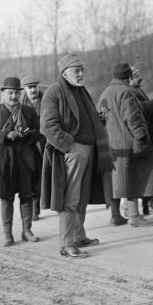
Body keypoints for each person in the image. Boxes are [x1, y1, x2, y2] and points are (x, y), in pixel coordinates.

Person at [40, 53, 114, 259]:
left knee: (82, 197)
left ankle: (79, 236)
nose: (81, 74)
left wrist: (97, 119)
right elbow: (47, 126)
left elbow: (79, 118)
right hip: (74, 151)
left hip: (90, 150)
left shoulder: (80, 91)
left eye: (82, 70)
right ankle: (66, 243)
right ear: (64, 73)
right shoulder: (54, 93)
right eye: (76, 71)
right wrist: (69, 146)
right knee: (70, 199)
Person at [0, 77, 43, 246]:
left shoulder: (29, 112)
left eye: (16, 93)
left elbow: (40, 132)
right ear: (3, 94)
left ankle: (27, 230)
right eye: (10, 93)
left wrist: (28, 134)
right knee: (6, 198)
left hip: (25, 159)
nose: (14, 96)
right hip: (4, 160)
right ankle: (7, 234)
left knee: (27, 195)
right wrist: (6, 135)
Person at [98, 62, 153, 227]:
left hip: (112, 145)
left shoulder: (105, 92)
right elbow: (132, 118)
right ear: (128, 76)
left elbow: (101, 119)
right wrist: (141, 137)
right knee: (133, 177)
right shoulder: (126, 92)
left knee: (117, 181)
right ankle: (134, 217)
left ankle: (115, 216)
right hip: (128, 142)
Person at [129, 65, 153, 215]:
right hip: (142, 136)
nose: (140, 78)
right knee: (146, 172)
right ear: (130, 79)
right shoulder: (130, 92)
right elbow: (142, 108)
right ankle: (147, 206)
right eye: (137, 76)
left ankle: (149, 204)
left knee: (149, 171)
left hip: (148, 133)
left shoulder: (136, 90)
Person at [20, 74, 46, 221]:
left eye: (35, 87)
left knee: (43, 175)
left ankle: (40, 206)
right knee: (29, 176)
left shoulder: (46, 100)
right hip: (28, 144)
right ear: (25, 89)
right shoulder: (20, 103)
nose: (32, 90)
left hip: (44, 143)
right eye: (29, 88)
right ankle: (32, 210)